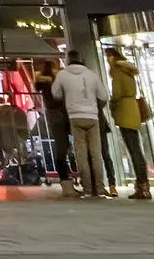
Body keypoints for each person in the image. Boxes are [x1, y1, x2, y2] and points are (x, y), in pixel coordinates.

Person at [51, 52, 109, 199]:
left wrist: (67, 98)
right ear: (81, 59)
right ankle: (99, 188)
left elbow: (56, 94)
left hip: (75, 117)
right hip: (93, 117)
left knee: (81, 154)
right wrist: (94, 106)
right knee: (96, 154)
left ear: (68, 60)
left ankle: (87, 189)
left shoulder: (62, 75)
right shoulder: (91, 74)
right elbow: (104, 96)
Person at [104, 48, 151, 199]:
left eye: (107, 57)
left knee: (133, 149)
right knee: (137, 149)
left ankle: (142, 185)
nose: (107, 60)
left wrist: (112, 104)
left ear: (112, 57)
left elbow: (117, 93)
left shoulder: (117, 72)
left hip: (124, 111)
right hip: (133, 110)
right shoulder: (128, 71)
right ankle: (144, 185)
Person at [35, 61, 74, 194]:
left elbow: (37, 87)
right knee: (69, 147)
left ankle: (65, 182)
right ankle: (72, 179)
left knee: (60, 147)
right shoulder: (59, 79)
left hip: (52, 115)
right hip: (65, 113)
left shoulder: (42, 82)